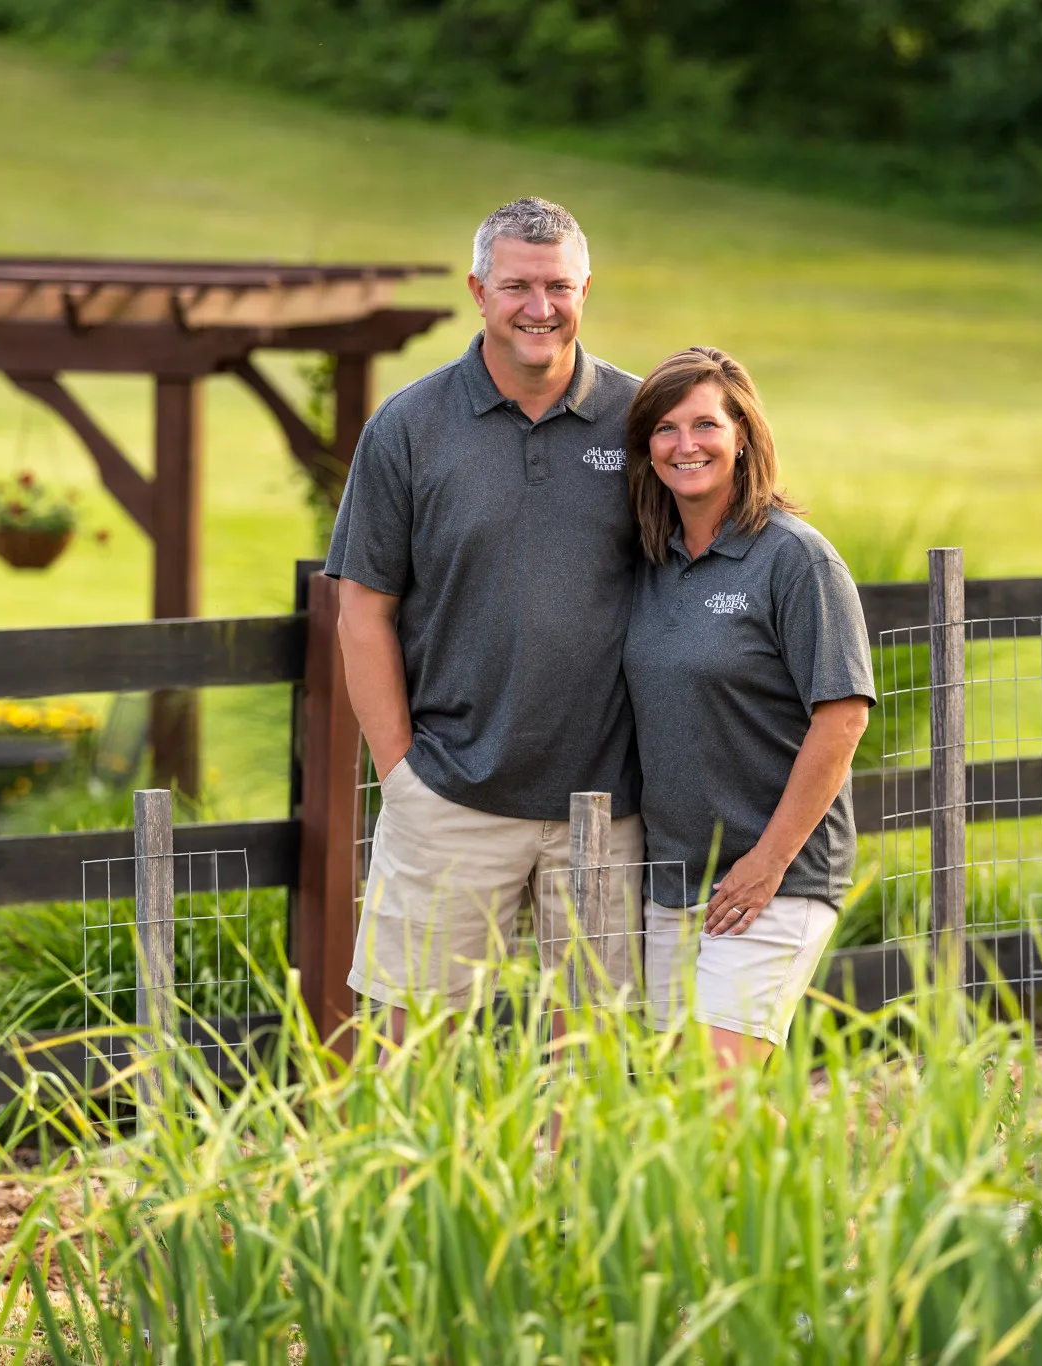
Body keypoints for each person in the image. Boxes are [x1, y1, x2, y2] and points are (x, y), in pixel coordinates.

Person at [325, 198, 644, 1044]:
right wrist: (401, 774)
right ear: (478, 290)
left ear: (585, 288)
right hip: (451, 796)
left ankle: (574, 1186)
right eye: (518, 287)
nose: (540, 308)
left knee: (598, 1062)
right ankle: (402, 1186)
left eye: (559, 286)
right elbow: (362, 609)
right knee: (406, 1052)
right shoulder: (408, 429)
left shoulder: (641, 421)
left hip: (606, 807)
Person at [622, 346, 875, 1075]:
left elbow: (843, 717)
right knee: (673, 1109)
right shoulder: (650, 561)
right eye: (665, 428)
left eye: (706, 424)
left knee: (717, 1099)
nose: (685, 444)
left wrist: (766, 863)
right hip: (675, 881)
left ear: (743, 436)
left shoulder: (796, 560)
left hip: (774, 880)